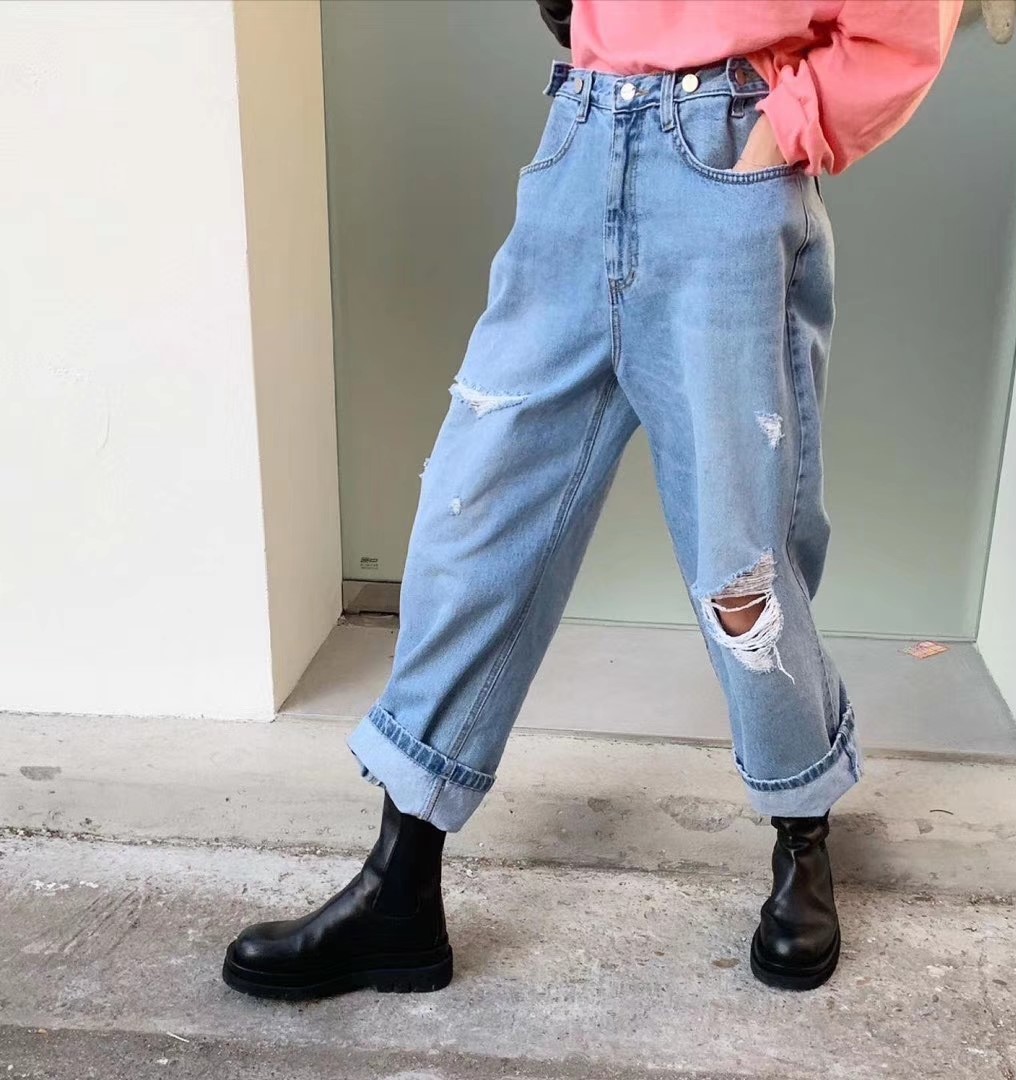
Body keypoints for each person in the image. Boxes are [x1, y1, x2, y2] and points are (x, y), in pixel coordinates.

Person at [222, 0, 963, 999]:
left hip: (725, 168)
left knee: (741, 561)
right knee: (474, 516)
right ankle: (400, 886)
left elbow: (906, 20)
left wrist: (780, 133)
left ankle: (802, 829)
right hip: (580, 143)